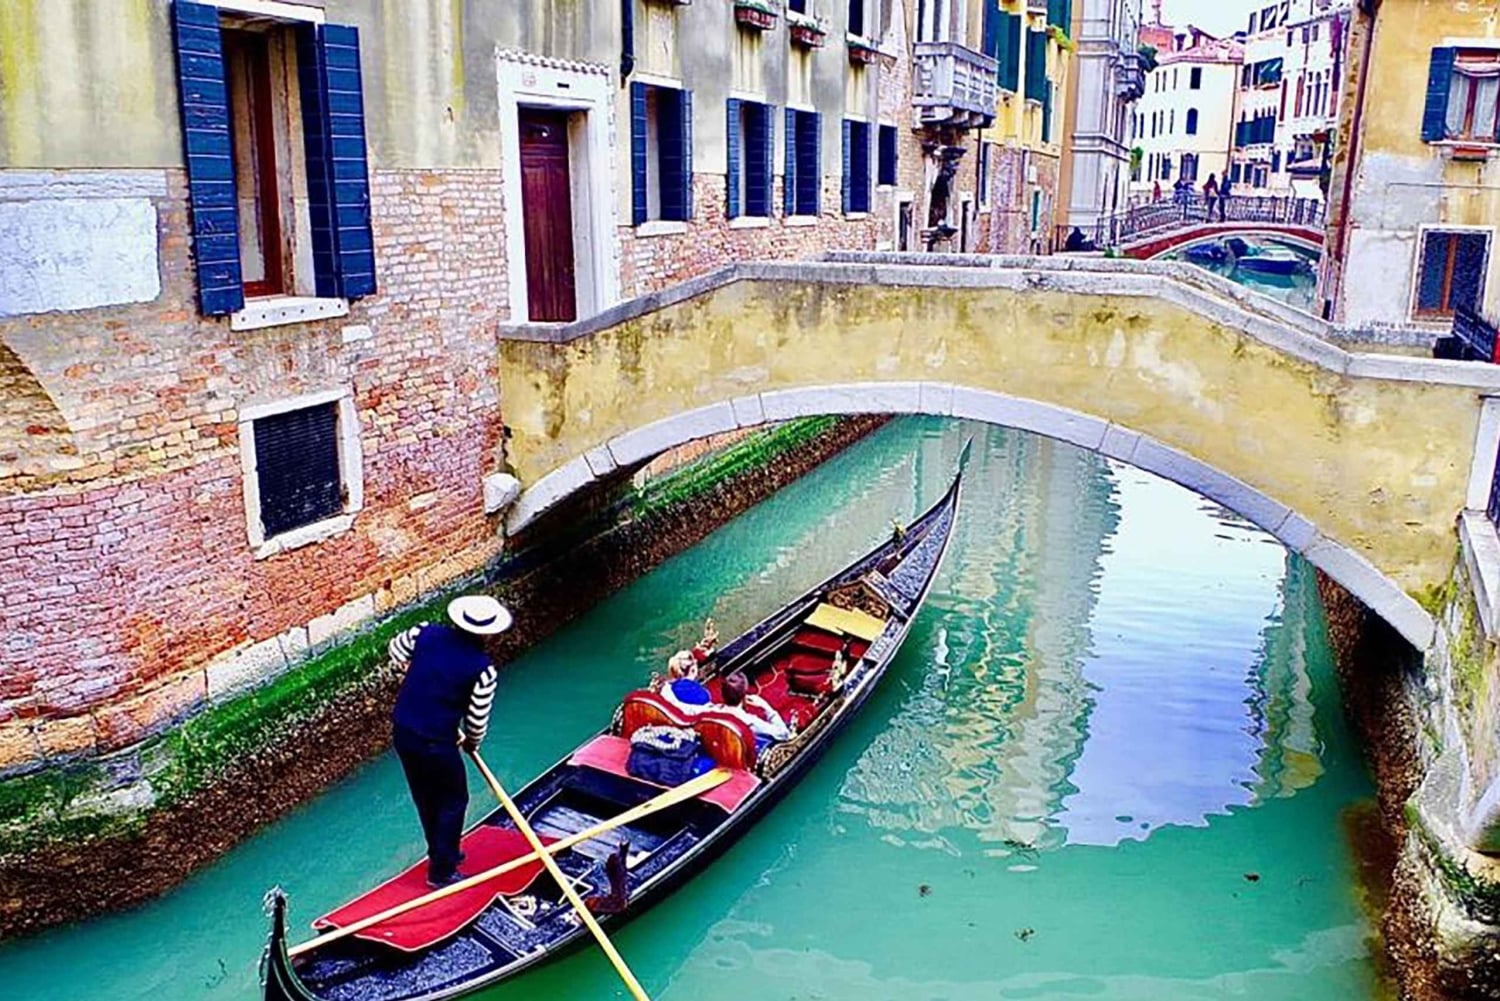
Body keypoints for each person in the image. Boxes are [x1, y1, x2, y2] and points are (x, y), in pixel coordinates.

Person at [388, 594, 511, 887]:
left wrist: (407, 670)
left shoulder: (425, 632)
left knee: (426, 797)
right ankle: (442, 871)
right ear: (488, 633)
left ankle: (443, 853)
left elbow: (395, 648)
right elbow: (476, 720)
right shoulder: (483, 670)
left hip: (403, 731)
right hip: (435, 742)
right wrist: (472, 743)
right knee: (454, 800)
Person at [717, 670, 791, 744]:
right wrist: (766, 707)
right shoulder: (751, 722)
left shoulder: (711, 710)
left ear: (722, 693)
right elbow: (784, 734)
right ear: (745, 694)